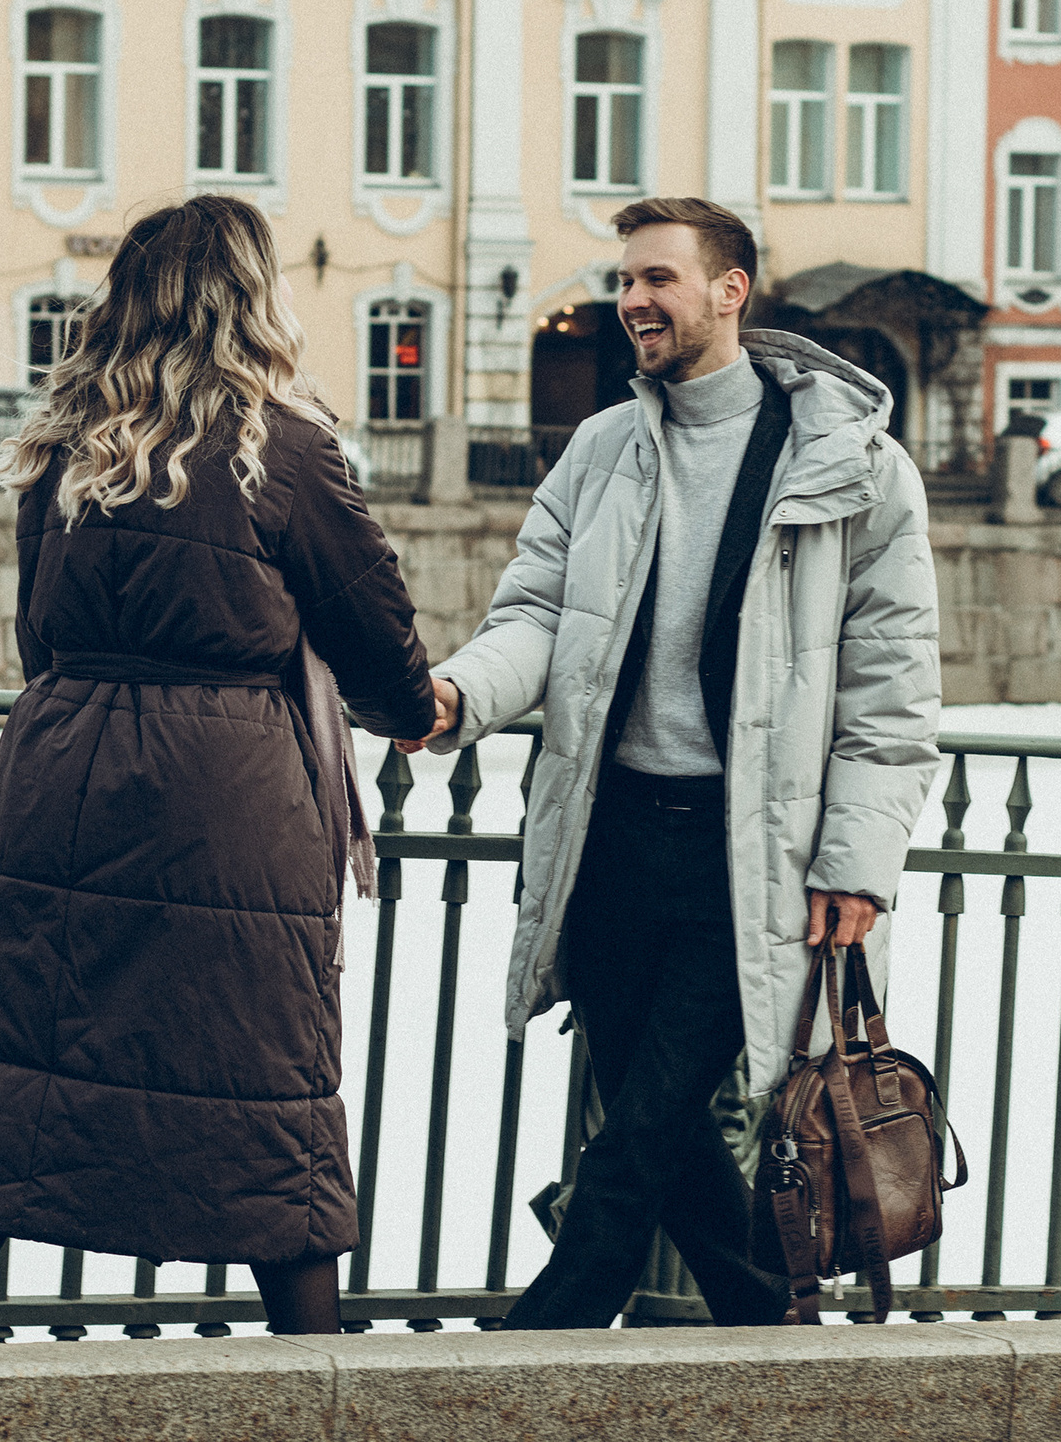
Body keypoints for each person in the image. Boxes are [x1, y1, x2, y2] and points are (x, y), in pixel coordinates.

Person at [0, 195, 433, 1343]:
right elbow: (374, 634)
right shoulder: (284, 444)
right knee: (261, 1085)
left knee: (5, 1080)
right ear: (252, 296)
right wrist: (411, 708)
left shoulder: (67, 444)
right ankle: (318, 1378)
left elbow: (37, 636)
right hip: (228, 800)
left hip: (60, 775)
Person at [399, 196, 942, 1329]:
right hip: (607, 837)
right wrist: (458, 694)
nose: (633, 300)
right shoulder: (602, 449)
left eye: (658, 278)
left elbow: (890, 693)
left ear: (730, 290)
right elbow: (536, 616)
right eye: (626, 280)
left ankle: (543, 1333)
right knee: (671, 1124)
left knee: (644, 1122)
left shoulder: (854, 467)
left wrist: (857, 859)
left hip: (743, 855)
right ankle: (770, 1328)